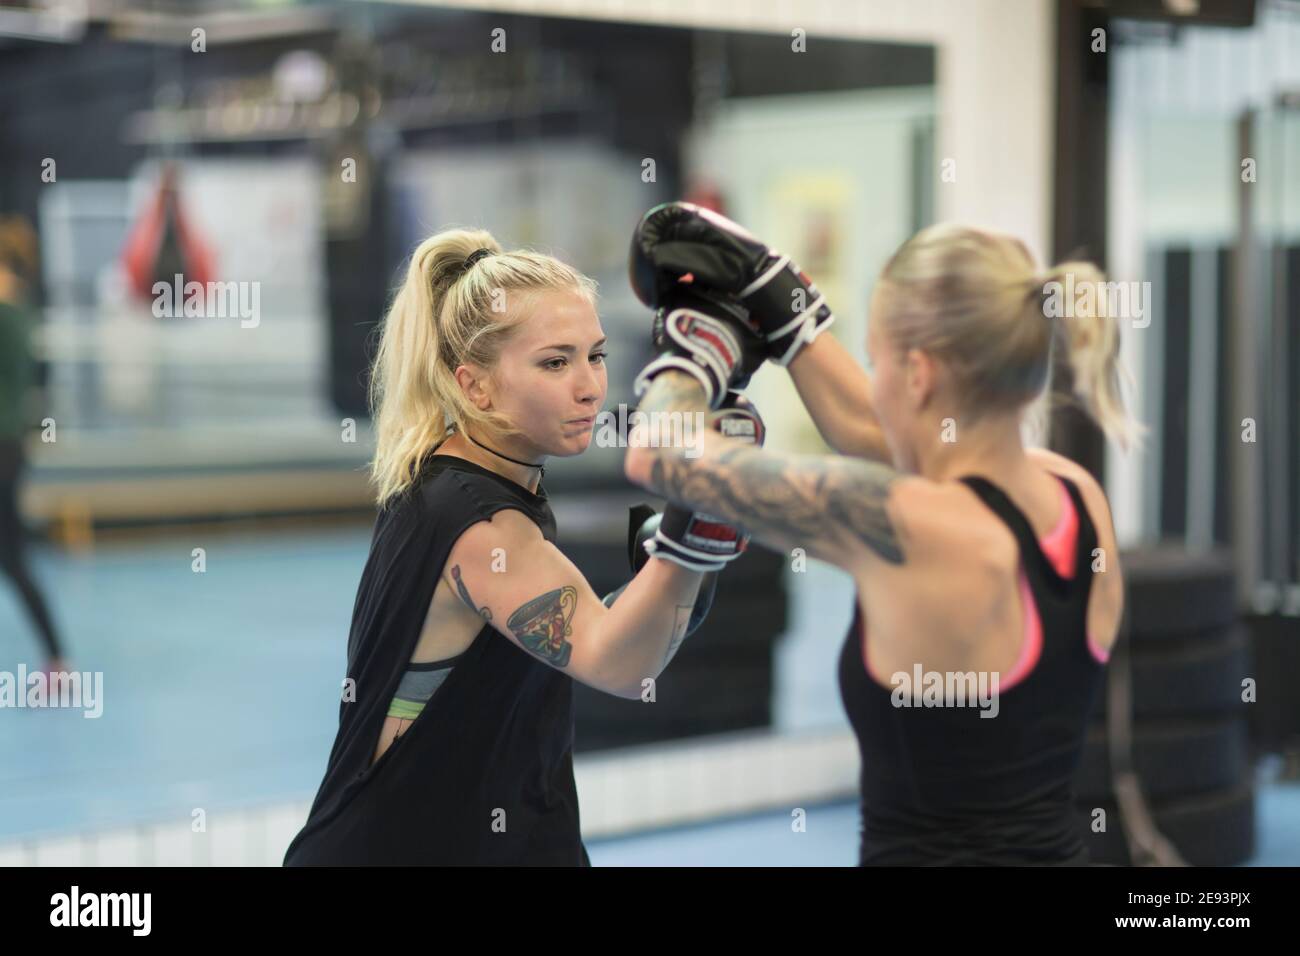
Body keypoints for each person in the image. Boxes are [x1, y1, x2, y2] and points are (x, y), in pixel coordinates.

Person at [624, 202, 1144, 865]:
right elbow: (877, 433)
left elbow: (657, 452)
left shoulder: (913, 524)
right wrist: (785, 310)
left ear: (920, 376)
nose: (878, 388)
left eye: (880, 364)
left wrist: (700, 351)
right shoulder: (1077, 496)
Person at [284, 231, 759, 865]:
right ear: (474, 387)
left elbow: (562, 631)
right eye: (555, 362)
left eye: (596, 355)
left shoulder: (464, 476)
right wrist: (688, 540)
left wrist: (674, 566)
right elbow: (618, 665)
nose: (590, 386)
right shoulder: (483, 527)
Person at [0, 214, 68, 679]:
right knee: (11, 554)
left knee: (12, 554)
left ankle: (59, 662)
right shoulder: (22, 312)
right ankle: (58, 661)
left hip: (3, 446)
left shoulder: (7, 315)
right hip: (13, 445)